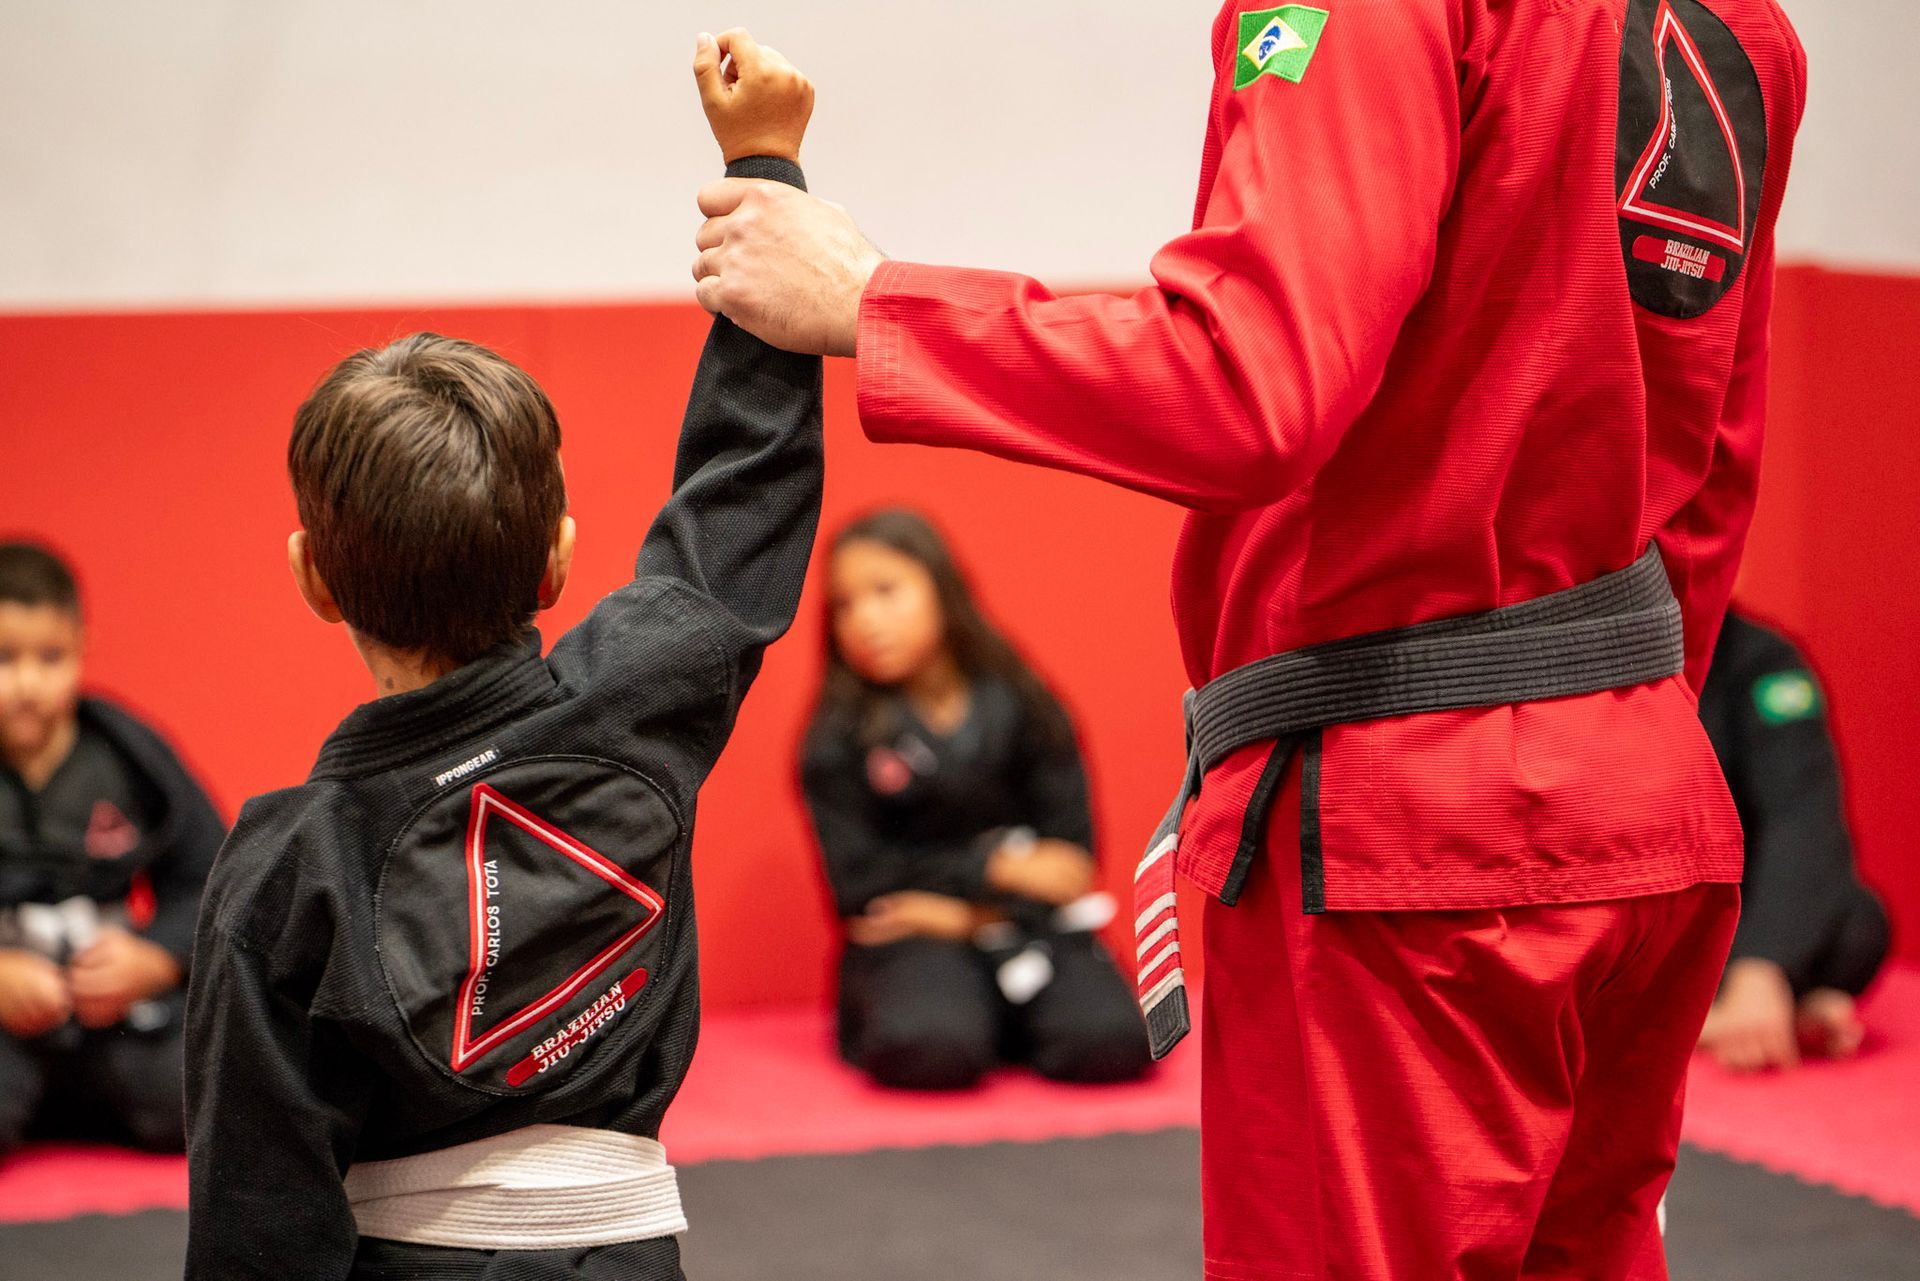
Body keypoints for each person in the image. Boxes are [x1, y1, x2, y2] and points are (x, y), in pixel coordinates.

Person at [689, 1, 1807, 1276]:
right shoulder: (1742, 29)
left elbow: (1249, 389)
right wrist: (1631, 746)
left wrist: (873, 303)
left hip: (1412, 818)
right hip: (1643, 789)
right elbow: (1714, 472)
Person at [183, 34, 820, 1280]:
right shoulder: (643, 692)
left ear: (314, 579)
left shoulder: (281, 872)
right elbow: (747, 481)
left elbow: (257, 1224)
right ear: (560, 561)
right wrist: (765, 168)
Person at [801, 509, 1150, 1091]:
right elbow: (863, 889)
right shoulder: (837, 737)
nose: (865, 620)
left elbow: (1070, 866)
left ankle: (1012, 1016)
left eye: (885, 591)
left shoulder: (1024, 705)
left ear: (941, 587)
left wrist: (961, 910)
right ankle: (977, 1020)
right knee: (931, 1048)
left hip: (1031, 928)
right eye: (844, 605)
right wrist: (998, 866)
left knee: (1110, 1044)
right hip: (912, 942)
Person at [0, 541, 223, 1156]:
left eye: (49, 657)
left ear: (81, 645)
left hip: (117, 1021)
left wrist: (155, 959)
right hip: (6, 1027)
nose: (26, 683)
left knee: (207, 1093)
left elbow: (214, 875)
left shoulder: (129, 756)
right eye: (3, 658)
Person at [1696, 608, 1891, 1072]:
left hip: (1737, 917)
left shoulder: (1765, 662)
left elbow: (1802, 816)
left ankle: (1742, 1010)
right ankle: (1721, 1021)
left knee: (1859, 922)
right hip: (1634, 906)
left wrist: (1762, 963)